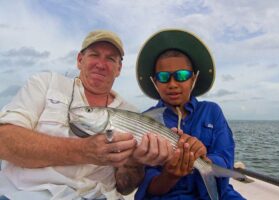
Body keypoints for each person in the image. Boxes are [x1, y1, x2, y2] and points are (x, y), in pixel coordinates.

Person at [0, 30, 172, 200]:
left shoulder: (132, 112)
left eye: (111, 59)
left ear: (119, 68)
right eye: (94, 55)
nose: (101, 64)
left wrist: (135, 162)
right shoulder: (45, 83)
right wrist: (83, 151)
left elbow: (125, 188)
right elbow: (4, 141)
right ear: (80, 60)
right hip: (27, 193)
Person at [134, 29, 245, 199]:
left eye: (182, 75)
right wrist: (170, 175)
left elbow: (225, 158)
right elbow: (149, 188)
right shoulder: (144, 120)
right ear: (155, 82)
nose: (172, 84)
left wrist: (205, 160)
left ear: (193, 79)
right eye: (163, 77)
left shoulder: (212, 111)